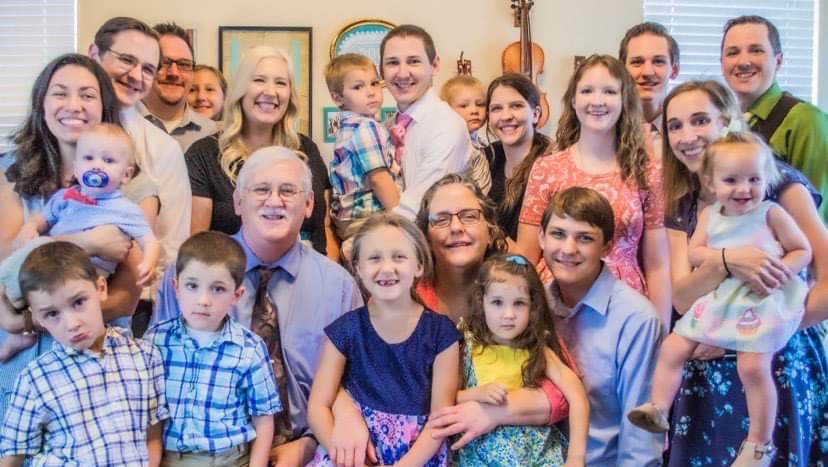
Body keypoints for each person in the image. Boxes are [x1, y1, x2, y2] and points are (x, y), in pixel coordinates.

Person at [327, 175, 568, 467]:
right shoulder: (401, 294)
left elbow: (561, 395)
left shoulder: (513, 293)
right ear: (424, 237)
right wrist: (345, 411)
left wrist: (495, 411)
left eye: (469, 216)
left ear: (491, 229)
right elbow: (352, 374)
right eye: (440, 219)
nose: (456, 227)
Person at [153, 147, 361, 467]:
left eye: (288, 191)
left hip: (306, 451)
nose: (274, 201)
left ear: (308, 204)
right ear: (238, 202)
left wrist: (310, 444)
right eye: (261, 189)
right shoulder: (189, 276)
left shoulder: (339, 287)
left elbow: (354, 382)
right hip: (201, 453)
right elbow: (155, 372)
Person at [660, 80, 828, 466]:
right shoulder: (683, 202)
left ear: (728, 121)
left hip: (775, 359)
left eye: (700, 120)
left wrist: (757, 334)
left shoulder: (774, 185)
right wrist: (726, 260)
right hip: (709, 369)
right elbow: (682, 298)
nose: (687, 136)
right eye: (675, 126)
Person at [631, 132, 810, 466]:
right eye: (732, 180)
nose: (744, 189)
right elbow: (695, 252)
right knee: (672, 347)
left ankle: (759, 444)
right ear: (711, 183)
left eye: (754, 179)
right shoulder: (710, 216)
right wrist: (724, 257)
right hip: (723, 298)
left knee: (753, 366)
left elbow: (803, 249)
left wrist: (783, 270)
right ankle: (657, 407)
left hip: (760, 299)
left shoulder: (770, 213)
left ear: (766, 179)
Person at [0, 53, 146, 419]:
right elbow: (8, 265)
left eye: (87, 95)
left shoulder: (135, 184)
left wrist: (29, 320)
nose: (74, 105)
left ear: (104, 106)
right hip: (23, 363)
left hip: (96, 368)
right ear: (42, 103)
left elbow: (125, 298)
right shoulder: (9, 172)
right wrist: (90, 243)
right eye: (60, 93)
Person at [516, 54, 672, 327]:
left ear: (624, 100)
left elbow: (658, 265)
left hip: (623, 308)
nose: (597, 101)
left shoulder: (647, 173)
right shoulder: (546, 168)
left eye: (609, 91)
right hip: (556, 305)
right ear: (573, 100)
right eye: (587, 91)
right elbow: (526, 257)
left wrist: (659, 332)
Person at [308, 213, 459, 467]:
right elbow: (318, 406)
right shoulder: (345, 330)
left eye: (399, 257)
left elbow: (439, 419)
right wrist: (343, 456)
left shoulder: (440, 334)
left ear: (419, 265)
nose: (387, 268)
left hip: (417, 457)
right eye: (374, 258)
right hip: (354, 456)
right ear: (358, 268)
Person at [0, 241, 168, 467]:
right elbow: (12, 458)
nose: (72, 324)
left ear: (101, 288)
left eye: (78, 302)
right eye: (52, 314)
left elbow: (152, 437)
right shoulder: (35, 379)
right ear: (37, 318)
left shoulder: (145, 356)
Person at [541, 187, 665, 466]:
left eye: (584, 238)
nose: (568, 249)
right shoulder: (532, 306)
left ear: (607, 247)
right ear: (541, 237)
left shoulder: (636, 320)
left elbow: (641, 440)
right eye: (558, 234)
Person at [144, 231, 280, 467]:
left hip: (229, 460)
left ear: (237, 295)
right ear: (176, 287)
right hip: (171, 458)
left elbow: (264, 420)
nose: (203, 300)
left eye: (217, 289)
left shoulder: (249, 349)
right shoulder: (156, 341)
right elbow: (151, 418)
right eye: (192, 286)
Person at [186, 46, 335, 258]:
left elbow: (324, 227)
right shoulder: (204, 155)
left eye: (281, 83)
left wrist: (329, 272)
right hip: (233, 276)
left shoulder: (307, 149)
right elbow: (197, 245)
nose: (270, 92)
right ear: (240, 89)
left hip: (308, 273)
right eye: (259, 80)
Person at [457, 254, 588, 467]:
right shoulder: (467, 347)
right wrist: (477, 394)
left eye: (519, 303)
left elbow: (577, 396)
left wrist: (576, 457)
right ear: (481, 302)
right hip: (481, 457)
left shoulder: (537, 350)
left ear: (532, 306)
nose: (508, 314)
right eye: (497, 302)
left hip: (536, 455)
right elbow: (448, 399)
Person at [89, 16, 192, 267]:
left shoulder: (164, 149)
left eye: (148, 69)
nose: (136, 75)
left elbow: (171, 247)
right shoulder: (65, 130)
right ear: (94, 54)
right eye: (126, 60)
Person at [721, 15, 828, 222]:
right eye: (733, 53)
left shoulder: (806, 120)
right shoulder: (725, 122)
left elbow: (818, 213)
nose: (743, 62)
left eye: (756, 50)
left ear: (778, 61)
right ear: (722, 63)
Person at [380, 24, 471, 220]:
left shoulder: (447, 126)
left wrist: (361, 236)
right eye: (392, 63)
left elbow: (416, 209)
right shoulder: (386, 128)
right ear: (382, 70)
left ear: (435, 65)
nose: (402, 74)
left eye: (413, 61)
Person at [324, 53, 401, 241]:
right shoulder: (365, 126)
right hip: (367, 218)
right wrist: (403, 218)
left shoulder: (348, 127)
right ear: (338, 98)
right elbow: (379, 178)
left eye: (374, 83)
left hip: (348, 219)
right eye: (358, 87)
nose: (371, 92)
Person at [482, 73, 551, 241]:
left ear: (535, 114)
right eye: (496, 108)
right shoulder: (488, 157)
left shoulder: (549, 166)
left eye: (516, 106)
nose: (505, 116)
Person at [140, 22, 217, 152]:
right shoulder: (119, 123)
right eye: (164, 62)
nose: (174, 73)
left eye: (184, 64)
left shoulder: (213, 134)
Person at [619, 21, 680, 160]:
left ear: (674, 70)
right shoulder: (604, 131)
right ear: (621, 70)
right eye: (637, 62)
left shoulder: (689, 134)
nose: (647, 72)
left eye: (658, 61)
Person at [439, 75, 492, 194]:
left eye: (480, 104)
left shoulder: (480, 142)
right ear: (446, 110)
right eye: (463, 106)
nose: (474, 111)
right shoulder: (451, 146)